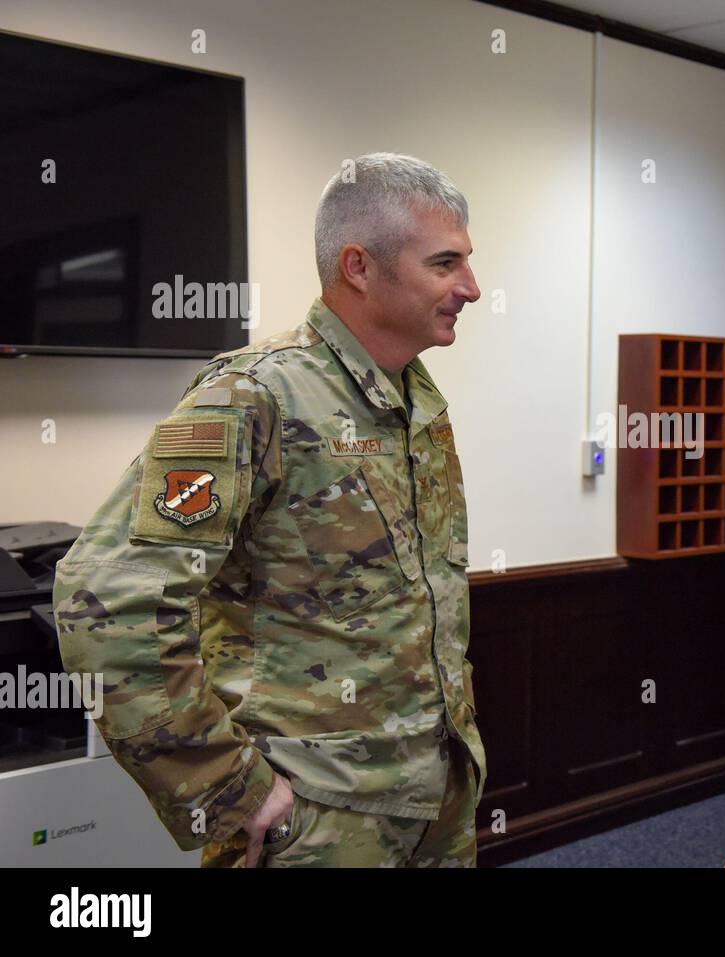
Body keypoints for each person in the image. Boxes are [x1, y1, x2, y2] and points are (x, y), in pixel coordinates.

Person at [53, 152, 485, 867]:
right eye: (446, 264)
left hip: (436, 805)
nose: (471, 287)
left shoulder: (414, 401)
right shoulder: (256, 396)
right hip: (318, 824)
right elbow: (108, 602)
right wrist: (227, 786)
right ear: (359, 266)